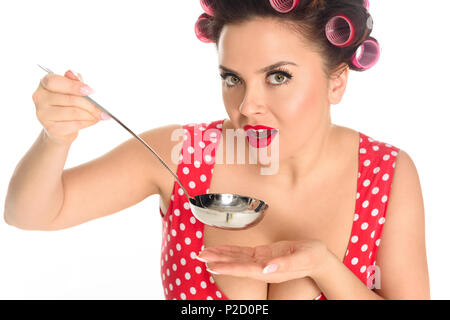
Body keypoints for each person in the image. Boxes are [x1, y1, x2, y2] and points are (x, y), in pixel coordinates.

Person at [4, 0, 429, 300]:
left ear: (337, 81)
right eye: (232, 78)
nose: (247, 106)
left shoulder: (386, 174)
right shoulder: (181, 154)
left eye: (278, 77)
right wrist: (55, 137)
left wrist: (323, 268)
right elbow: (30, 214)